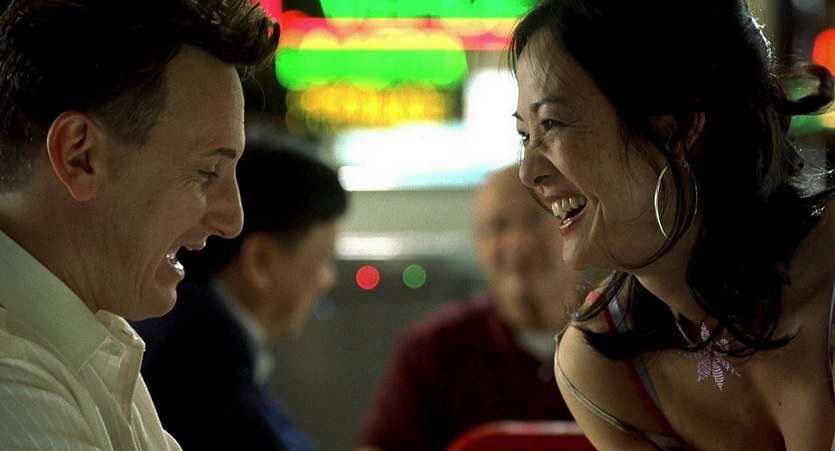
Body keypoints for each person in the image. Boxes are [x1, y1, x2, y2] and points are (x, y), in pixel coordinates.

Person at [510, 0, 835, 449]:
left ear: (678, 129)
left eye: (552, 123)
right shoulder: (602, 368)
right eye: (525, 135)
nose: (528, 172)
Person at [0, 1, 278, 449]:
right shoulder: (14, 383)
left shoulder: (91, 345)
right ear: (80, 156)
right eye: (207, 172)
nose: (233, 220)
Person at [132, 123, 348, 451]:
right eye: (323, 259)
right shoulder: (202, 375)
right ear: (260, 261)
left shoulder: (195, 337)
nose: (328, 280)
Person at [357, 165, 584, 451]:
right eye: (498, 226)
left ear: (573, 227)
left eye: (536, 219)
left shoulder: (623, 335)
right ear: (478, 244)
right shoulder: (433, 348)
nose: (518, 241)